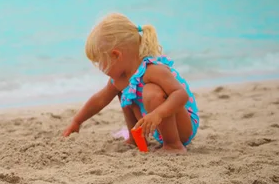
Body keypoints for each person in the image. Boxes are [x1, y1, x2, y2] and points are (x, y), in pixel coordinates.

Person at [62, 13, 199, 153]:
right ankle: (136, 139)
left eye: (100, 63)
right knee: (125, 92)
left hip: (181, 126)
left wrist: (158, 114)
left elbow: (181, 95)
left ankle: (173, 145)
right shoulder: (120, 80)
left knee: (151, 92)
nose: (100, 69)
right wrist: (77, 121)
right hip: (157, 126)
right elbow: (100, 99)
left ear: (116, 55)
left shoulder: (153, 70)